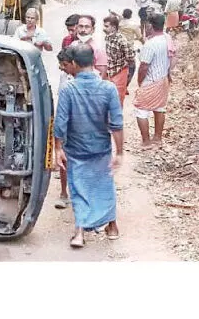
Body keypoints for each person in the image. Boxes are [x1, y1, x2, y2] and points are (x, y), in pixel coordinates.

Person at [54, 42, 124, 248]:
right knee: (104, 186)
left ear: (74, 63)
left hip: (76, 150)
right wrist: (120, 152)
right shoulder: (108, 88)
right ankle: (112, 226)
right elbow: (117, 123)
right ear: (93, 62)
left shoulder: (68, 89)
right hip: (101, 148)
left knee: (79, 189)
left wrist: (58, 148)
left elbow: (61, 122)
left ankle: (80, 232)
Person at [134, 13, 172, 148]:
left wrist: (139, 82)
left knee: (141, 110)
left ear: (150, 25)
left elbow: (144, 66)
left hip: (150, 81)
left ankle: (146, 141)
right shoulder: (167, 39)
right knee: (160, 108)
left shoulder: (150, 44)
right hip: (163, 79)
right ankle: (158, 138)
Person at [53, 47, 76, 210]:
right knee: (65, 161)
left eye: (64, 64)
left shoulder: (93, 78)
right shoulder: (64, 77)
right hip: (68, 126)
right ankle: (63, 193)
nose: (61, 67)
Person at [103, 14, 136, 104]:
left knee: (117, 100)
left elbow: (130, 57)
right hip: (110, 71)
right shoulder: (108, 37)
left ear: (113, 27)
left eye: (106, 26)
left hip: (120, 72)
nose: (104, 28)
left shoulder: (122, 40)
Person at [76, 15, 108, 79]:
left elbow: (101, 76)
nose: (83, 30)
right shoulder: (73, 46)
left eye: (87, 27)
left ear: (93, 29)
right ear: (76, 28)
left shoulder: (98, 50)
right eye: (81, 26)